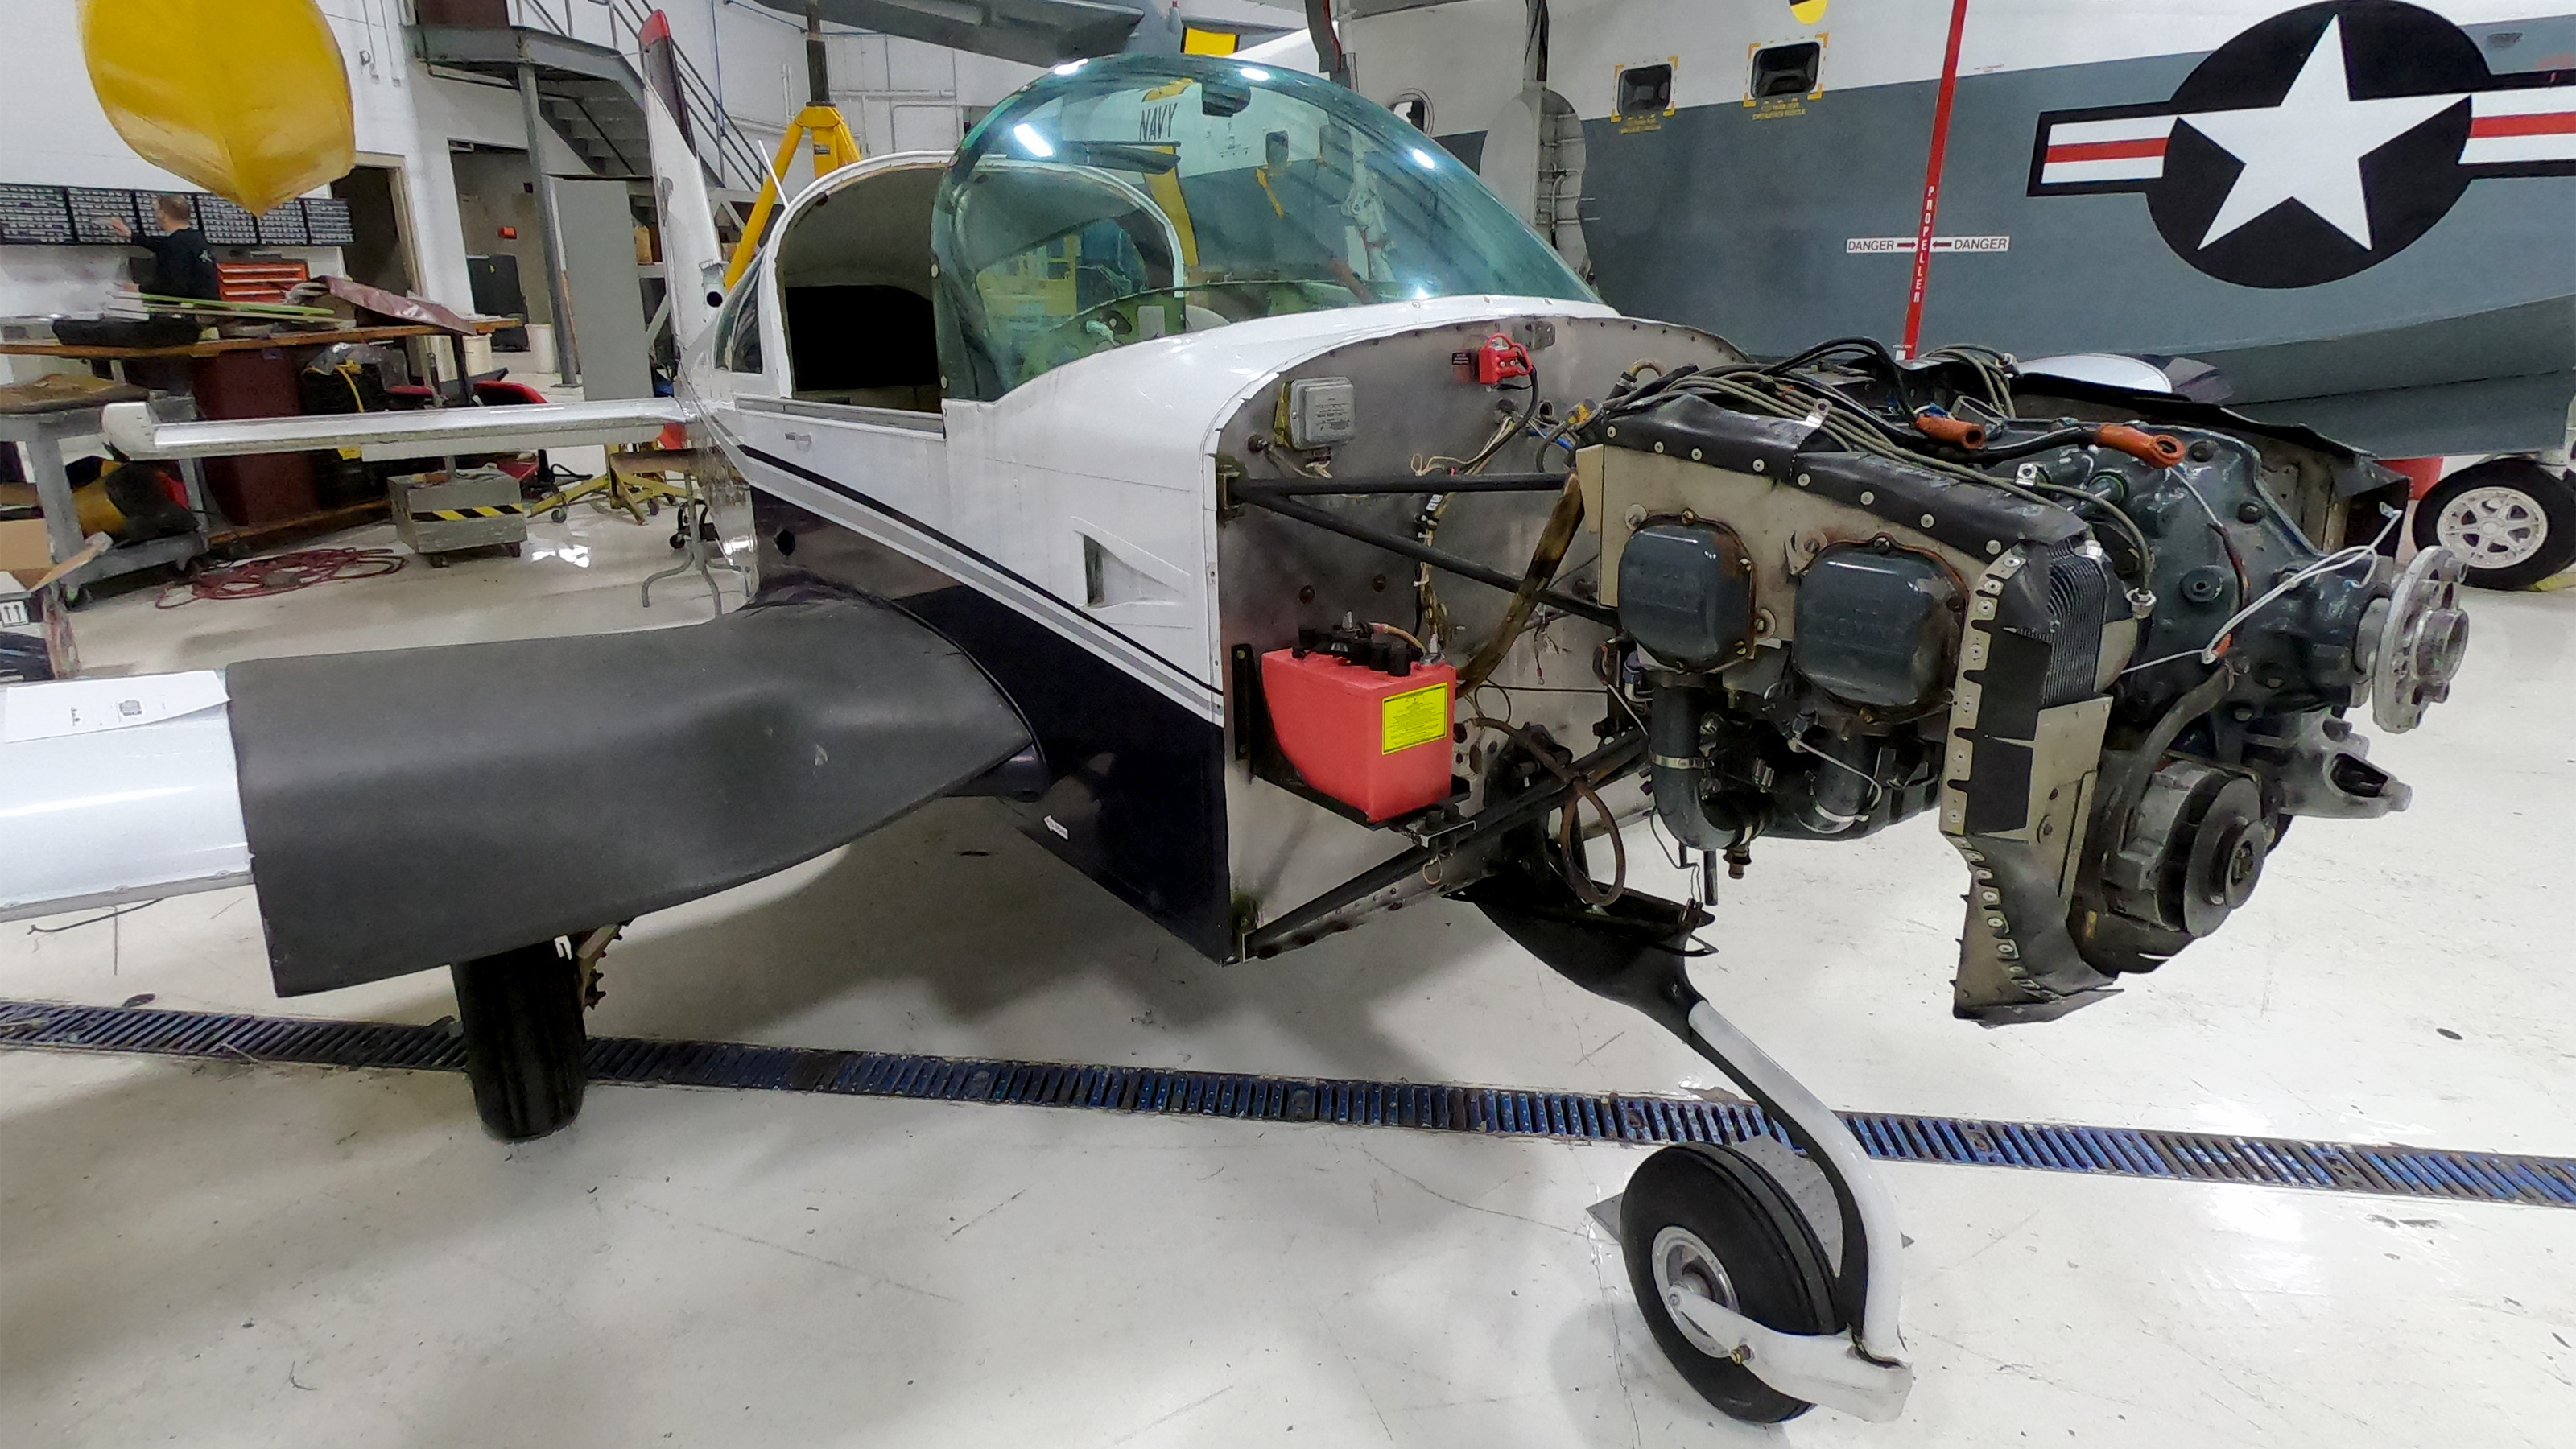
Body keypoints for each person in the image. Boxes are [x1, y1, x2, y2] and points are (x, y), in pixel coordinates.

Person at [107, 195, 220, 301]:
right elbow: (163, 244)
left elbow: (172, 287)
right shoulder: (196, 237)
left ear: (162, 215)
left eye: (156, 211)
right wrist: (130, 234)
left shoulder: (175, 244)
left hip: (191, 311)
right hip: (210, 306)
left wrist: (139, 289)